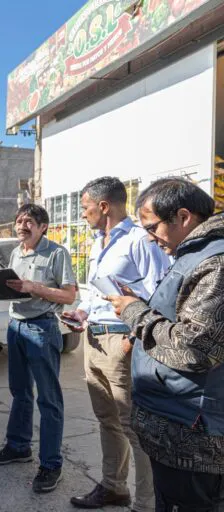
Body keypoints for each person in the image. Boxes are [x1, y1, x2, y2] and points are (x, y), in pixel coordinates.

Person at [108, 178, 224, 511]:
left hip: (193, 441)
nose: (149, 237)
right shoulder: (197, 254)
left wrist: (135, 313)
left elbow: (195, 349)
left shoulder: (215, 262)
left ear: (183, 217)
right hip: (178, 429)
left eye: (152, 226)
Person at [63, 178, 169, 512]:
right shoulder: (97, 242)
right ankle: (114, 487)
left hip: (121, 341)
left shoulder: (141, 240)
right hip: (93, 338)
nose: (83, 214)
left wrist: (132, 340)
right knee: (107, 420)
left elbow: (161, 295)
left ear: (103, 206)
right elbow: (99, 291)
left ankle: (146, 504)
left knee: (133, 427)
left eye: (84, 207)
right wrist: (81, 311)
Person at [0, 204, 78, 493]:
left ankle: (51, 464)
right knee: (20, 393)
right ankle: (18, 446)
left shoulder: (56, 253)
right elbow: (19, 287)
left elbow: (68, 295)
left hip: (42, 328)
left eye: (29, 221)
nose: (22, 225)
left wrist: (33, 287)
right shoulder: (17, 252)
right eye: (19, 221)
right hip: (15, 327)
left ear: (43, 227)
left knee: (49, 400)